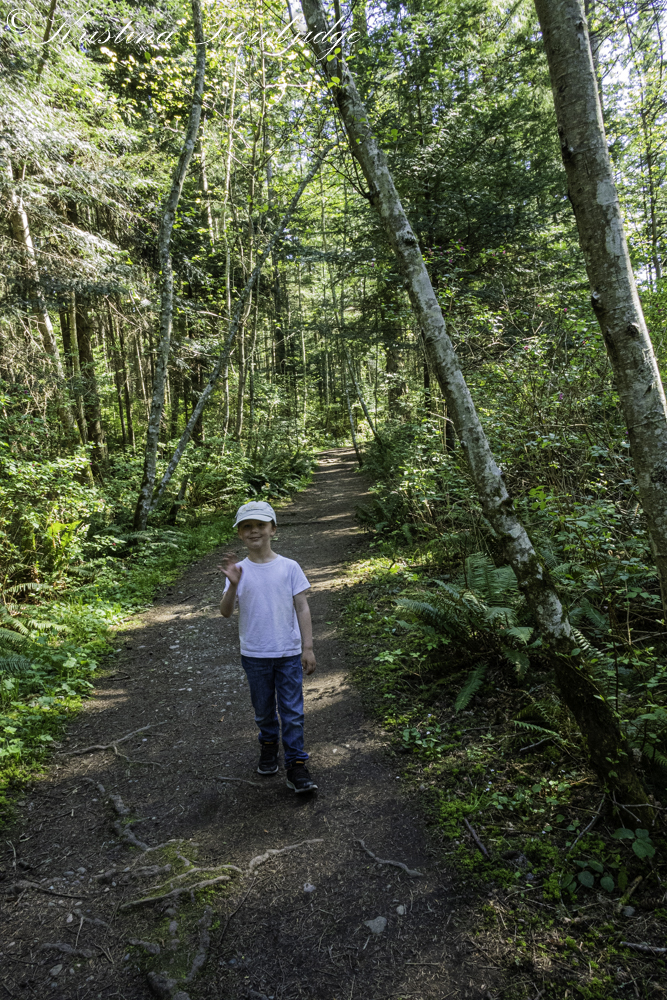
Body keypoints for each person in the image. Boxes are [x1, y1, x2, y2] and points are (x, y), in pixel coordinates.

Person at [219, 500, 318, 793]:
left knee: (292, 712)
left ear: (273, 529)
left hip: (288, 653)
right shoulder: (238, 570)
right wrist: (233, 584)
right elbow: (225, 612)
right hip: (255, 655)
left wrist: (308, 647)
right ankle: (268, 743)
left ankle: (296, 764)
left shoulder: (289, 567)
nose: (254, 531)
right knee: (263, 710)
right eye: (247, 526)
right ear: (240, 533)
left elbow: (302, 607)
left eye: (260, 525)